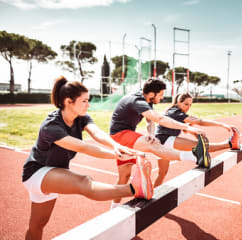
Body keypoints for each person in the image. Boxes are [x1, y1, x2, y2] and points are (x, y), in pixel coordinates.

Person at [22, 76, 153, 240]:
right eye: (84, 101)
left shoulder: (81, 118)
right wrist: (117, 154)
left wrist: (115, 146)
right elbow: (84, 147)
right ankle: (135, 189)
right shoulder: (51, 126)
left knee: (37, 225)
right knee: (84, 181)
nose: (88, 104)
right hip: (37, 173)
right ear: (69, 102)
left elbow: (97, 133)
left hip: (55, 174)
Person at [109, 78, 211, 209]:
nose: (162, 98)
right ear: (152, 94)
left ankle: (113, 208)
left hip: (123, 135)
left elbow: (150, 121)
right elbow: (159, 119)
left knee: (124, 176)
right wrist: (187, 127)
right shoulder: (137, 101)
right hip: (120, 136)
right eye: (161, 95)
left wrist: (151, 134)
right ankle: (195, 156)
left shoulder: (146, 101)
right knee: (154, 146)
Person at [154, 92, 241, 187]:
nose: (188, 107)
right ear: (179, 102)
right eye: (186, 104)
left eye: (190, 105)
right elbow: (200, 121)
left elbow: (185, 129)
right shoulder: (176, 113)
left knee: (162, 173)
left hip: (159, 143)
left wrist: (195, 134)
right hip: (165, 140)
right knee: (200, 147)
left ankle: (153, 195)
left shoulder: (173, 111)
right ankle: (230, 144)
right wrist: (222, 125)